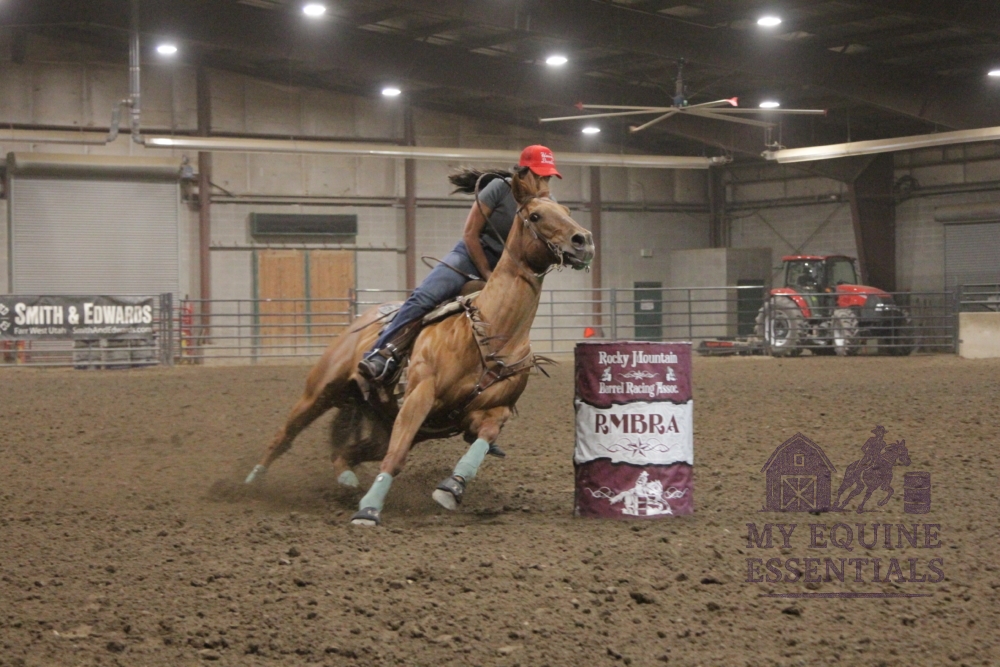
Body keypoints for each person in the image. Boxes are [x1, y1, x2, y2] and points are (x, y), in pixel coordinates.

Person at [358, 145, 562, 383]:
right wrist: (486, 272)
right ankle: (381, 354)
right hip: (469, 258)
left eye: (548, 177)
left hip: (506, 270)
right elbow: (470, 234)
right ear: (524, 173)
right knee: (424, 297)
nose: (544, 183)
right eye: (540, 176)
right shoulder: (499, 188)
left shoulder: (548, 205)